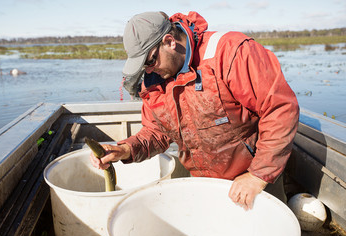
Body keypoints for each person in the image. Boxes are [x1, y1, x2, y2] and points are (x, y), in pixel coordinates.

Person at [90, 11, 299, 210]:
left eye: (151, 61)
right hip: (203, 183)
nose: (149, 70)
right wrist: (125, 149)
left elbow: (279, 109)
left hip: (254, 179)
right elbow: (156, 133)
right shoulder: (155, 81)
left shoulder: (230, 52)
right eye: (144, 66)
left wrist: (257, 176)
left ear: (170, 42)